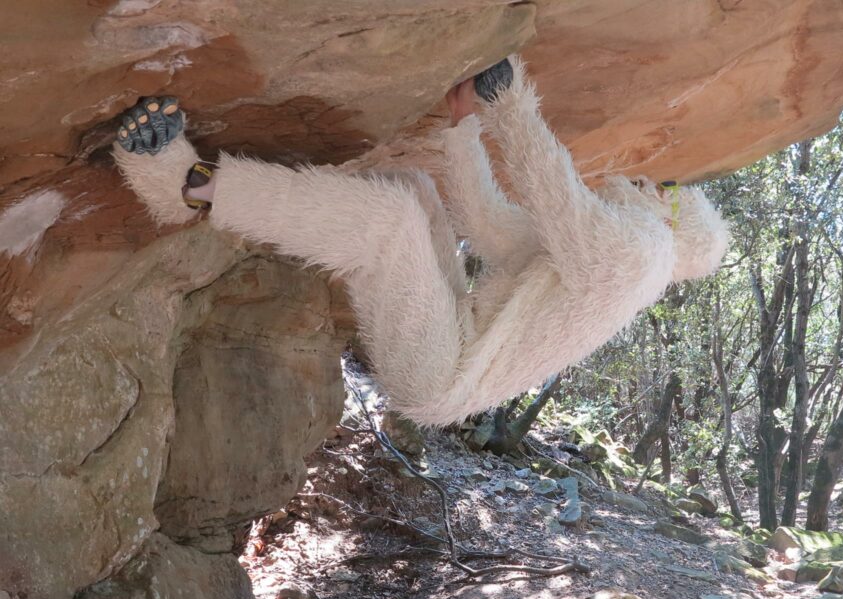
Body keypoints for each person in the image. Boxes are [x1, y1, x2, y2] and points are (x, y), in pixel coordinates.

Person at [113, 57, 729, 426]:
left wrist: (509, 101)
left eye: (673, 191)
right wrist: (464, 129)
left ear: (680, 225)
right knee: (410, 190)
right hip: (453, 348)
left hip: (444, 372)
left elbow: (555, 194)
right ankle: (234, 196)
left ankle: (189, 188)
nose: (654, 181)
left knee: (389, 224)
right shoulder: (621, 262)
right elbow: (487, 224)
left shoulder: (642, 253)